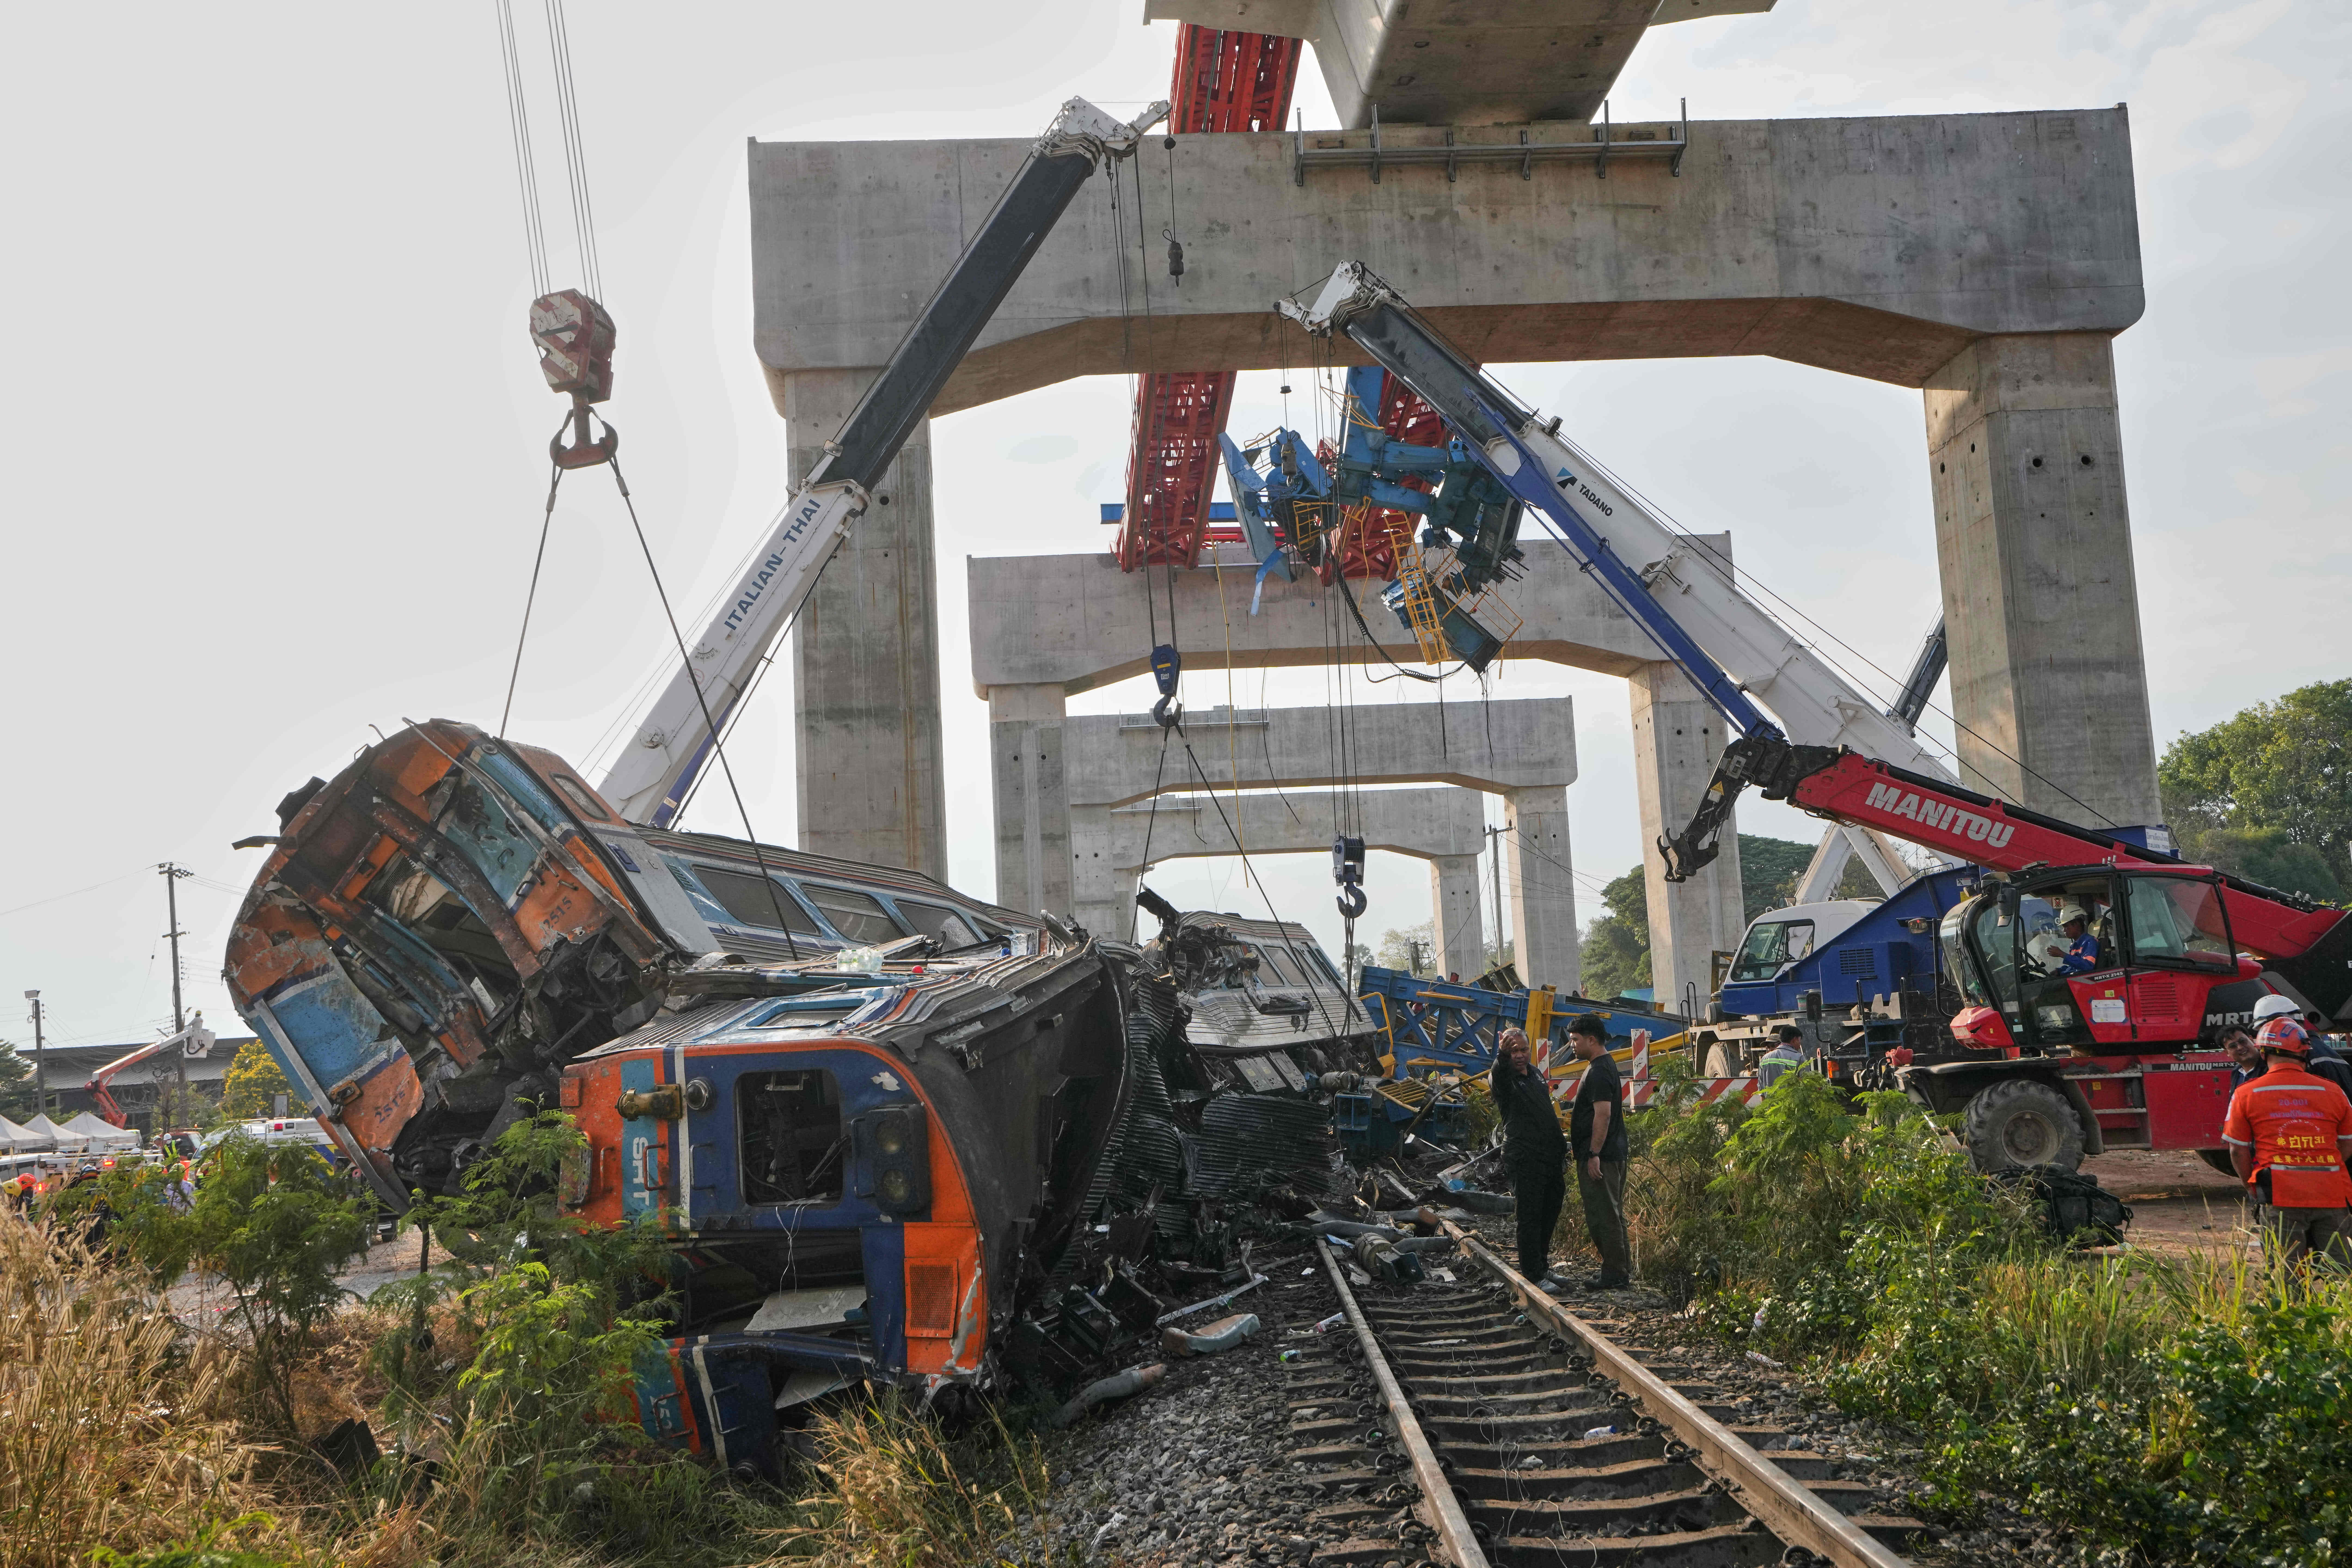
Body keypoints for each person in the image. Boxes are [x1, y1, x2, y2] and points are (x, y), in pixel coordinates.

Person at [2224, 1015, 2352, 1275]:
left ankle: (2291, 1314)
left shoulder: (2248, 1093)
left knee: (2286, 1275)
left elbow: (2237, 1150)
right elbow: (2347, 1144)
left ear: (2263, 1051)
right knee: (2342, 1274)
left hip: (2278, 1196)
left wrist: (2251, 1185)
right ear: (2304, 1051)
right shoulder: (2333, 1091)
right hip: (2332, 1194)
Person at [1487, 1025, 1568, 1289]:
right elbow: (1499, 1070)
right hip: (1525, 1156)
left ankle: (1543, 1268)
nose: (1519, 1055)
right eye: (1514, 1051)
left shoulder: (1534, 1074)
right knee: (1530, 1216)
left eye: (1523, 1049)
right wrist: (1502, 1053)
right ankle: (1533, 1275)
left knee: (1550, 1211)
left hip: (1549, 1157)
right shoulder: (1504, 1078)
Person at [1566, 1013, 1633, 1291]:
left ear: (1591, 1040)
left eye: (1575, 1040)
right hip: (1607, 1154)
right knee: (1610, 1214)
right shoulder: (1602, 1066)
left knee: (1604, 1216)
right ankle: (1619, 1269)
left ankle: (1616, 1274)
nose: (1572, 1045)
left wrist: (1594, 1154)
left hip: (1602, 1157)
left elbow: (1602, 1116)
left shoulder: (1599, 1071)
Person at [1756, 1024, 1808, 1090]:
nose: (1800, 1043)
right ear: (1795, 1039)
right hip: (1792, 1100)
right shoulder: (1799, 1058)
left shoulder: (1765, 1059)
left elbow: (1761, 1090)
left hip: (1771, 1100)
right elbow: (1807, 1085)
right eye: (1800, 1040)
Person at [2054, 904, 2100, 974]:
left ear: (2076, 925)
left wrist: (2062, 955)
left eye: (2066, 926)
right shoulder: (2075, 945)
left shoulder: (2089, 942)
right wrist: (2060, 970)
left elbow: (2088, 966)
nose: (2064, 930)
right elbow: (2075, 967)